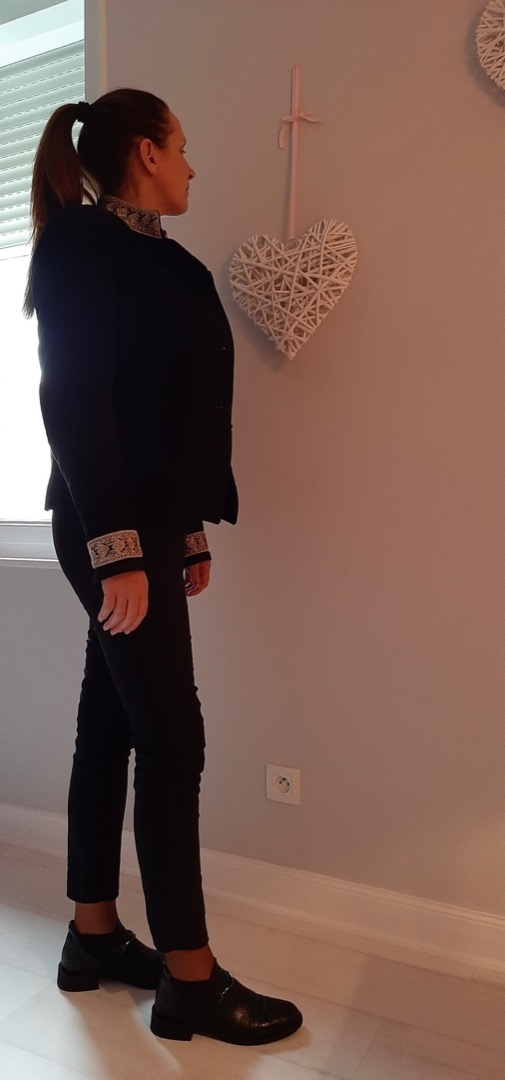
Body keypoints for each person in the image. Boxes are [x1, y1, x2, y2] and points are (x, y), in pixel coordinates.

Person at [24, 88, 302, 1045]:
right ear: (145, 152)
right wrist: (119, 552)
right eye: (181, 148)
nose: (190, 166)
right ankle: (188, 977)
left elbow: (170, 413)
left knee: (111, 723)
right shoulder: (81, 245)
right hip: (108, 528)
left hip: (149, 526)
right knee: (172, 738)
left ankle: (94, 936)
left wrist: (185, 533)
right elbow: (75, 399)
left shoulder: (163, 260)